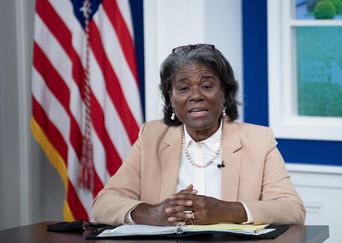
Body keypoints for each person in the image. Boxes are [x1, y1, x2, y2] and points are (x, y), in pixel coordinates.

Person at [92, 44, 306, 226]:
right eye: (183, 88)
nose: (196, 96)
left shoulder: (258, 140)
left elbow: (292, 210)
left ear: (224, 93)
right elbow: (104, 203)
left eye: (207, 86)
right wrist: (152, 213)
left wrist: (227, 211)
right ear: (171, 98)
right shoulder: (151, 137)